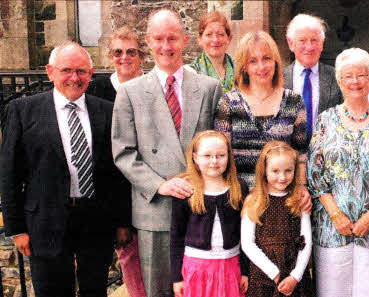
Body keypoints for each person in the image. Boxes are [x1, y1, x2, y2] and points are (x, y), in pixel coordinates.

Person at [0, 42, 129, 297]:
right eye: (66, 70)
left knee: (95, 290)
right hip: (45, 220)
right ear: (50, 72)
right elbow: (9, 173)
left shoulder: (106, 111)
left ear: (91, 75)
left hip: (96, 220)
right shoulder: (23, 111)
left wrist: (123, 222)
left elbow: (118, 173)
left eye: (81, 71)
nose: (74, 78)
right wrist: (16, 228)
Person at [111, 9, 222, 297]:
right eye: (158, 39)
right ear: (148, 41)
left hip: (200, 207)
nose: (165, 46)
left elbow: (219, 144)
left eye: (172, 38)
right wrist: (161, 184)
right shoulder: (131, 92)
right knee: (159, 291)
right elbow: (123, 152)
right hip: (155, 212)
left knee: (201, 290)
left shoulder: (209, 88)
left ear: (185, 40)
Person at [307, 48, 369, 297]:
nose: (355, 82)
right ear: (339, 81)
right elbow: (315, 175)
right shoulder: (325, 120)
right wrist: (336, 215)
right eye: (348, 76)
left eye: (361, 75)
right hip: (332, 227)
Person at [86, 25, 147, 297]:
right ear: (109, 55)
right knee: (128, 258)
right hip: (111, 187)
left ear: (141, 55)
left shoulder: (152, 86)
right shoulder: (97, 90)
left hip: (147, 184)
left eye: (131, 52)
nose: (124, 57)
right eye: (117, 52)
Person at [214, 31, 308, 187]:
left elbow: (301, 154)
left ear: (276, 61)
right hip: (240, 199)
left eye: (267, 58)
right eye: (253, 61)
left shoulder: (294, 101)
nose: (261, 67)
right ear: (244, 67)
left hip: (283, 197)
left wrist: (302, 188)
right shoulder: (228, 103)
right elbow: (222, 157)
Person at [170, 130, 249, 297]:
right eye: (207, 155)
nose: (214, 161)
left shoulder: (238, 188)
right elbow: (176, 237)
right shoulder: (186, 190)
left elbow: (245, 235)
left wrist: (245, 271)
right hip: (196, 269)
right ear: (195, 157)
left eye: (220, 155)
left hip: (230, 267)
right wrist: (177, 277)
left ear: (229, 156)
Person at [241, 141, 313, 297]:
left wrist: (295, 276)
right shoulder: (254, 200)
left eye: (288, 171)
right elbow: (247, 243)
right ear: (264, 171)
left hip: (295, 274)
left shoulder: (298, 200)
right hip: (264, 277)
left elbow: (306, 241)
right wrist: (274, 273)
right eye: (275, 171)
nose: (282, 177)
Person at [283, 14, 343, 140]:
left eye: (314, 40)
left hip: (326, 154)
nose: (309, 47)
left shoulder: (337, 77)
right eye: (302, 41)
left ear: (322, 44)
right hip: (289, 155)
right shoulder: (279, 79)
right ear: (291, 43)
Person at [188, 11, 236, 93]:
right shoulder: (190, 73)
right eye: (209, 34)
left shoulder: (241, 70)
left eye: (220, 34)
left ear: (229, 38)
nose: (215, 40)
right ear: (200, 38)